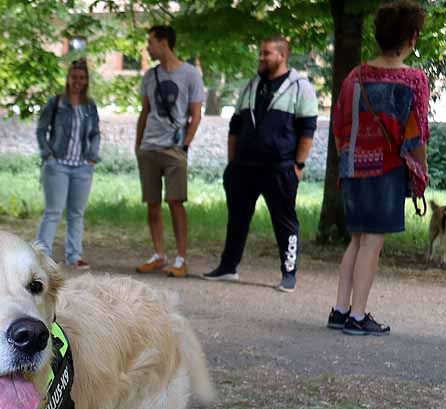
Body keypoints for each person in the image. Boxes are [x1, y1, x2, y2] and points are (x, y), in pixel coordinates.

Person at [329, 0, 429, 336]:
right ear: (412, 37)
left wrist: (349, 158)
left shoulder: (354, 76)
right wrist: (420, 172)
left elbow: (340, 124)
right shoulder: (413, 80)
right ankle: (358, 317)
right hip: (386, 171)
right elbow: (417, 135)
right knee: (373, 243)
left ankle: (340, 310)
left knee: (357, 240)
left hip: (353, 168)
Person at [204, 36, 318, 291]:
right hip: (244, 167)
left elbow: (307, 130)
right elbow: (235, 126)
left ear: (282, 55)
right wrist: (231, 164)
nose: (261, 57)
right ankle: (228, 266)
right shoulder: (251, 86)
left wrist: (297, 165)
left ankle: (289, 273)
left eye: (266, 53)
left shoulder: (301, 87)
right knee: (237, 218)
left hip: (280, 168)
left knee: (285, 221)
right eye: (261, 53)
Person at [133, 25, 205, 278]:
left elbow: (196, 115)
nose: (148, 47)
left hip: (174, 149)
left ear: (164, 43)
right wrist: (138, 144)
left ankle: (181, 258)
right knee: (152, 204)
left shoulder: (190, 74)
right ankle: (159, 254)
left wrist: (184, 145)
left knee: (176, 203)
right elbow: (145, 112)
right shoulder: (149, 76)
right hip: (149, 148)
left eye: (151, 42)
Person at [35, 58, 101, 269]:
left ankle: (74, 256)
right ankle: (41, 255)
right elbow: (41, 129)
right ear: (68, 78)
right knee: (53, 211)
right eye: (74, 77)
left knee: (76, 213)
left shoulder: (90, 106)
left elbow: (95, 133)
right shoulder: (56, 103)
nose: (78, 81)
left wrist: (92, 156)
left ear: (86, 80)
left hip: (82, 167)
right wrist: (48, 155)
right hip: (58, 166)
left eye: (82, 78)